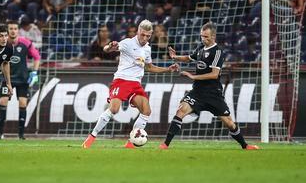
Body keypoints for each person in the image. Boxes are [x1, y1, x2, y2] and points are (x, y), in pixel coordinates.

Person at [159, 22, 260, 150]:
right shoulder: (200, 47)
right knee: (180, 111)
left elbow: (214, 74)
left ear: (213, 37)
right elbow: (189, 58)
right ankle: (165, 144)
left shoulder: (217, 52)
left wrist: (193, 76)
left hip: (213, 94)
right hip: (198, 92)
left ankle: (245, 146)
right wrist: (175, 57)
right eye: (202, 36)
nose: (203, 39)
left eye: (206, 37)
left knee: (229, 122)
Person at [82, 19, 179, 149]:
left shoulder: (147, 49)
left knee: (146, 110)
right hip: (122, 80)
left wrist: (168, 69)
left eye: (148, 36)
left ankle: (130, 144)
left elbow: (149, 67)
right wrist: (111, 46)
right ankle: (91, 137)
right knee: (114, 109)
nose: (144, 38)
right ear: (138, 31)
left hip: (136, 84)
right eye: (142, 35)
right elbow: (107, 49)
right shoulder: (127, 43)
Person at [0, 21, 41, 140]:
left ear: (18, 30)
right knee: (3, 101)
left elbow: (37, 57)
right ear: (7, 30)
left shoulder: (26, 43)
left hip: (22, 78)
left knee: (22, 103)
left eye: (15, 28)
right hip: (7, 78)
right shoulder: (2, 44)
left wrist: (35, 72)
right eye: (10, 28)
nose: (13, 31)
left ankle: (21, 135)